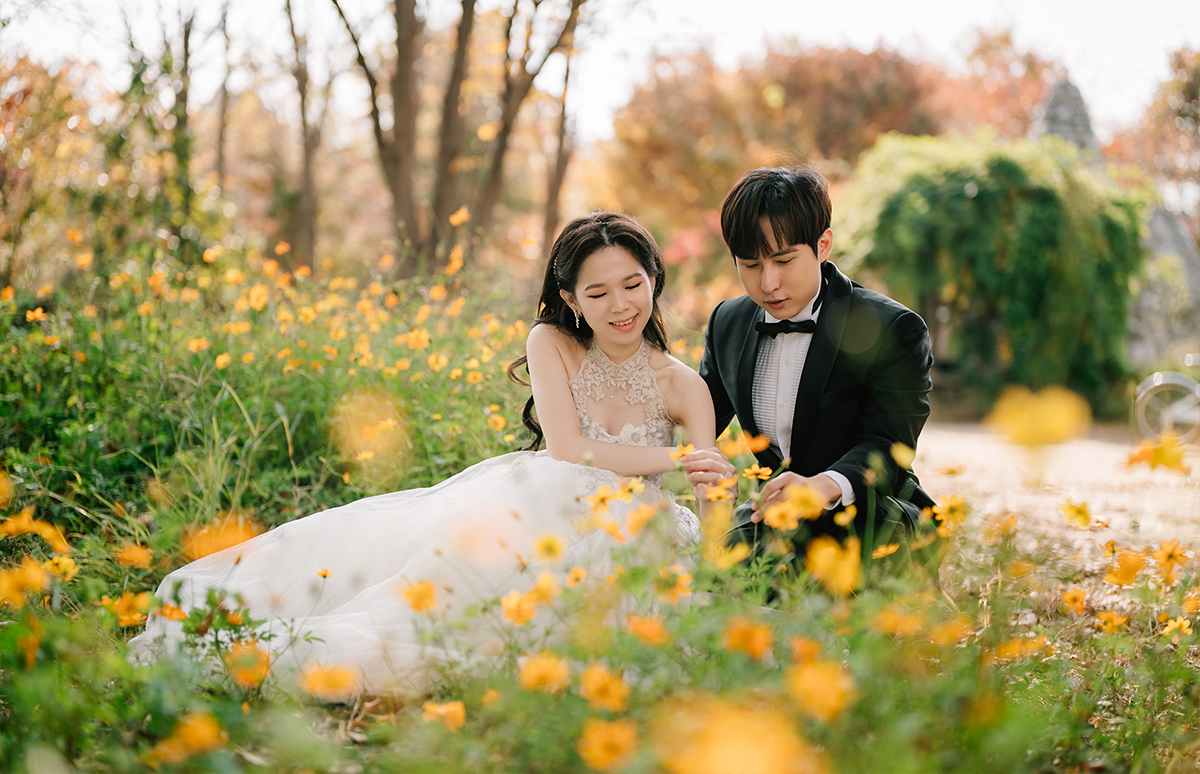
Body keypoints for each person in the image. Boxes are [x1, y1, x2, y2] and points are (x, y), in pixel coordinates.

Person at [130, 212, 723, 695]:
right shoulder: (551, 342)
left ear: (654, 279)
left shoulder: (682, 386)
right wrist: (676, 462)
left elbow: (712, 485)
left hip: (636, 530)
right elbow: (568, 448)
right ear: (569, 298)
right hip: (547, 501)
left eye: (632, 285)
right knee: (432, 590)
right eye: (598, 292)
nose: (620, 305)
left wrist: (717, 529)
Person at [686, 165, 935, 557]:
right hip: (772, 521)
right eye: (750, 265)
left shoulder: (894, 328)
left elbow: (888, 442)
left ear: (823, 245)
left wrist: (823, 485)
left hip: (870, 519)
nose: (768, 283)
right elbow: (697, 417)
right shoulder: (726, 323)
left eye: (783, 261)